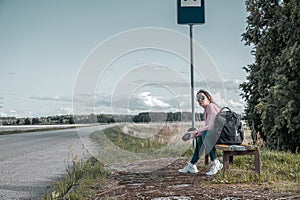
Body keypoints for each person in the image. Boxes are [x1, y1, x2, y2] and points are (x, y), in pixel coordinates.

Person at [178, 89, 223, 175]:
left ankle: (215, 162)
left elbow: (211, 126)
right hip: (216, 135)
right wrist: (199, 133)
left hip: (223, 136)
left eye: (202, 97)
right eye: (198, 98)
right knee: (202, 136)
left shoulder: (211, 106)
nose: (200, 100)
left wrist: (197, 131)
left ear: (208, 97)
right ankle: (192, 165)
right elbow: (209, 127)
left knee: (205, 134)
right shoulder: (206, 110)